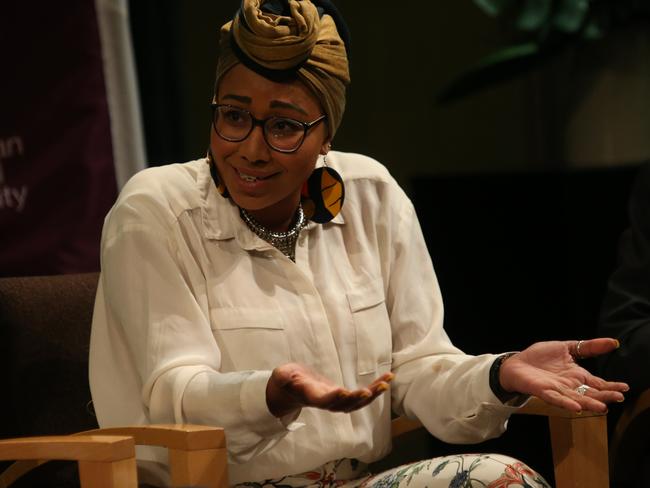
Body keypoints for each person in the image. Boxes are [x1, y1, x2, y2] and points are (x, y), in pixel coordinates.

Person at [89, 1, 629, 486]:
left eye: (284, 126)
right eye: (232, 117)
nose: (251, 150)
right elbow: (171, 401)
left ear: (328, 133)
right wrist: (270, 392)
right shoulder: (156, 211)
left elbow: (418, 369)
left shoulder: (370, 195)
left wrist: (499, 372)